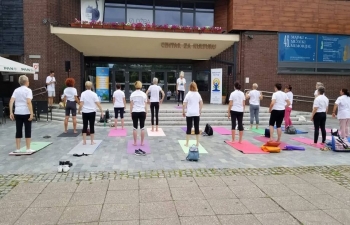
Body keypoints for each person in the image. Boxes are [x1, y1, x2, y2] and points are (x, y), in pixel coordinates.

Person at [9, 75, 34, 153]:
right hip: (26, 112)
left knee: (18, 130)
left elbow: (11, 101)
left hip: (18, 112)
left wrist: (11, 112)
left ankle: (18, 148)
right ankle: (28, 148)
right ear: (26, 82)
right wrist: (31, 113)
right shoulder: (28, 90)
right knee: (28, 130)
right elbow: (28, 102)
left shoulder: (16, 90)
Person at [183, 82, 203, 147]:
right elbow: (201, 103)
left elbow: (184, 104)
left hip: (189, 113)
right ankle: (197, 143)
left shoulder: (188, 94)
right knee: (196, 127)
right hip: (196, 113)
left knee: (189, 128)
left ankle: (187, 143)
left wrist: (183, 111)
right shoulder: (198, 94)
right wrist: (200, 110)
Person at [130, 81, 148, 152]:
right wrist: (146, 112)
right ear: (141, 86)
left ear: (135, 86)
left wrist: (130, 112)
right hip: (142, 111)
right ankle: (142, 142)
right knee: (142, 128)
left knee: (134, 127)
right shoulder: (144, 94)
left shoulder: (132, 94)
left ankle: (135, 142)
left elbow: (131, 105)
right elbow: (146, 105)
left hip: (135, 111)